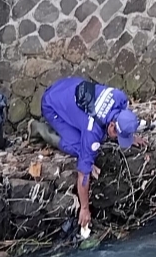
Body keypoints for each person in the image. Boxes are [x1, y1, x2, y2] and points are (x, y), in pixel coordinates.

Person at [30, 77, 144, 228]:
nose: (118, 139)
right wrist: (84, 208)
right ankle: (39, 128)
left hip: (67, 86)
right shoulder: (93, 133)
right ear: (111, 126)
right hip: (51, 104)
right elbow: (83, 175)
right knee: (77, 145)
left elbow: (123, 119)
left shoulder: (120, 98)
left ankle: (70, 120)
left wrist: (130, 136)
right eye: (119, 135)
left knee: (83, 128)